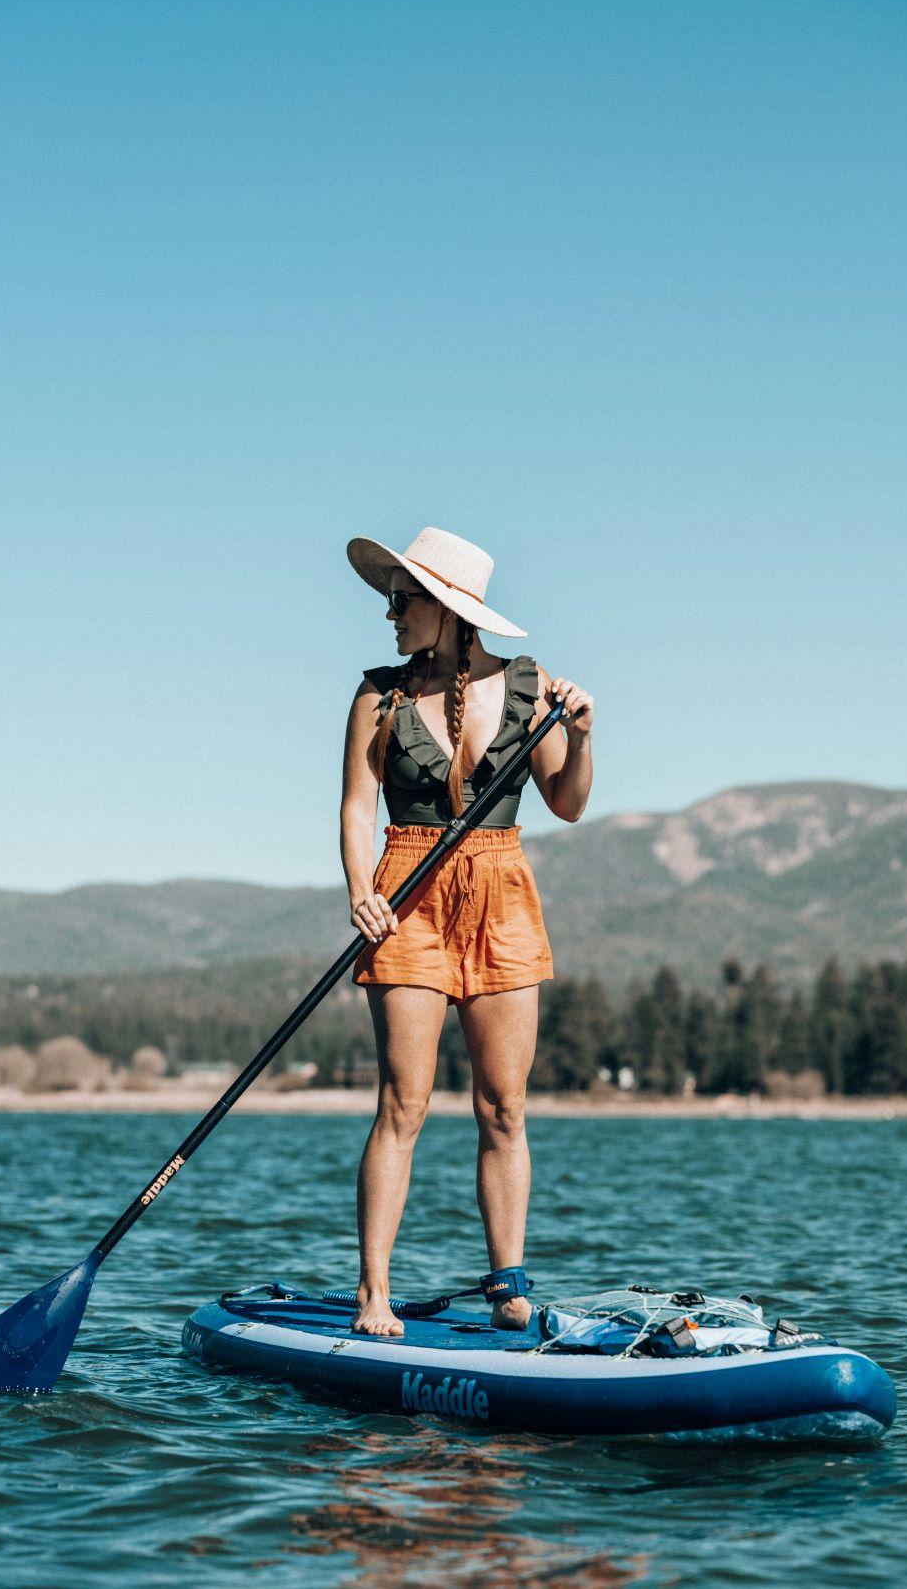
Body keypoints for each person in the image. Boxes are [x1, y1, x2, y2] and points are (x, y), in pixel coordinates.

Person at [340, 526, 594, 1337]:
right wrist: (360, 893)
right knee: (403, 1104)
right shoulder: (375, 697)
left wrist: (581, 735)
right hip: (406, 893)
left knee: (503, 1109)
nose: (390, 612)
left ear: (447, 610)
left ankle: (508, 1284)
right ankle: (373, 1291)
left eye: (402, 598)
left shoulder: (532, 689)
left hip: (502, 890)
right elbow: (355, 807)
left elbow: (568, 801)